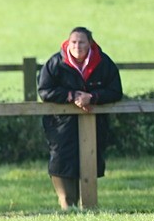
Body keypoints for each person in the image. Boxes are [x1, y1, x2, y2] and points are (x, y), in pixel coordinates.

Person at [36, 26, 123, 209]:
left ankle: (89, 207)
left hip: (95, 124)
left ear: (90, 43)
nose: (77, 46)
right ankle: (68, 206)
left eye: (82, 42)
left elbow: (115, 91)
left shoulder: (104, 63)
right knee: (62, 161)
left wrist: (93, 97)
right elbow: (45, 91)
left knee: (91, 161)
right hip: (61, 126)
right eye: (74, 42)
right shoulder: (55, 63)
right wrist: (71, 95)